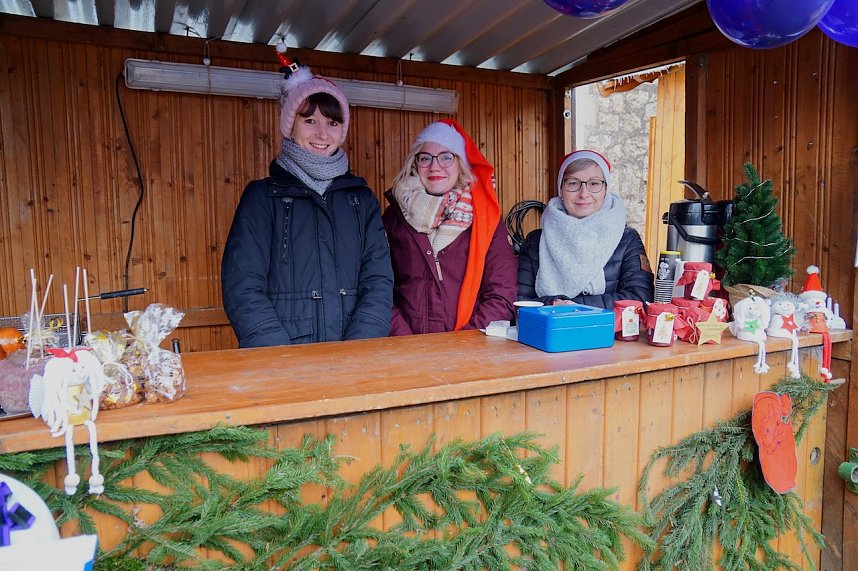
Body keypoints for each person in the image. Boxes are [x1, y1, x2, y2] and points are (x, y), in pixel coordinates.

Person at [221, 63, 392, 347]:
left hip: (354, 358)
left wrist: (360, 350)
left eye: (332, 123)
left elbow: (379, 280)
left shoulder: (361, 200)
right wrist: (281, 357)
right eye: (310, 121)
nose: (323, 134)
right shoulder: (263, 198)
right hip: (283, 359)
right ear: (291, 127)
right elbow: (243, 285)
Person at [382, 120, 516, 334]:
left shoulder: (486, 218)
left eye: (446, 157)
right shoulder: (393, 218)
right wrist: (405, 342)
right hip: (406, 347)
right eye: (425, 158)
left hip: (470, 347)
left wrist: (462, 344)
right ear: (415, 163)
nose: (435, 166)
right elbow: (379, 289)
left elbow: (502, 293)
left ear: (461, 164)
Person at [517, 150, 653, 308]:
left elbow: (640, 298)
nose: (583, 193)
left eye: (594, 183)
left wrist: (572, 306)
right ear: (561, 189)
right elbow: (521, 302)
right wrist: (553, 303)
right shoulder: (534, 242)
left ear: (605, 190)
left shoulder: (627, 239)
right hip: (549, 324)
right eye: (573, 183)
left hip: (606, 326)